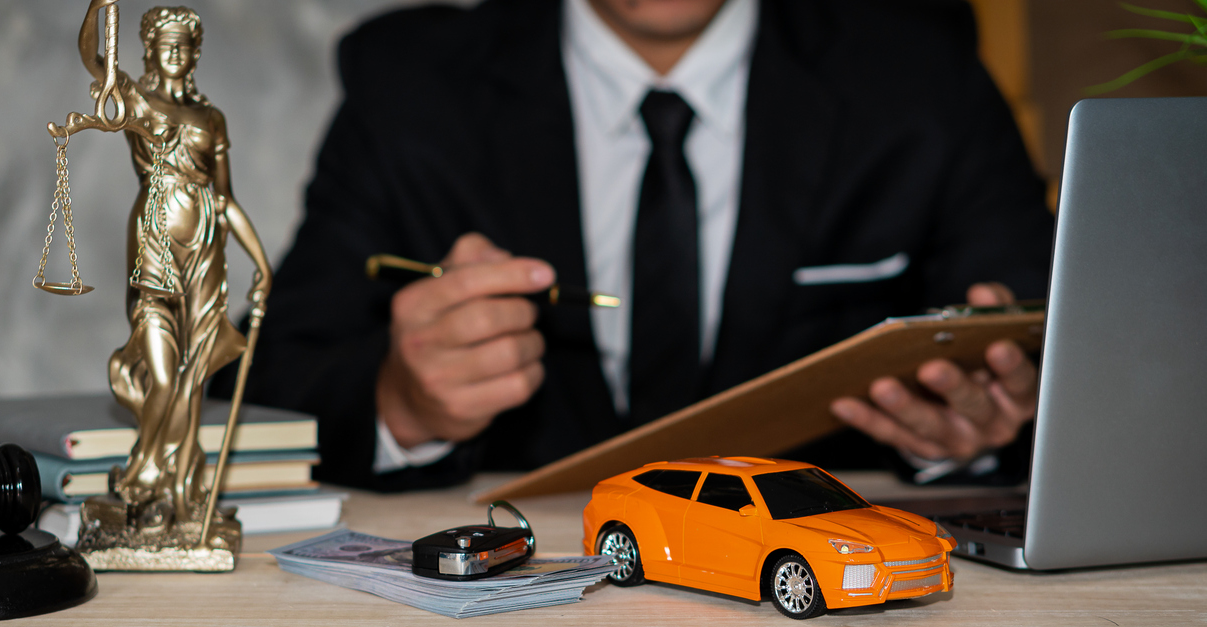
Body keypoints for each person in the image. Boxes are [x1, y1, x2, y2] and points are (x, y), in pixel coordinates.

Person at [234, 0, 1053, 490]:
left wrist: (980, 431)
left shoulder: (921, 68)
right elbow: (265, 381)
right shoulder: (412, 83)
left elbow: (1060, 351)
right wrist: (403, 404)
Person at [78, 1, 272, 520]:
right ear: (148, 50)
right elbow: (93, 59)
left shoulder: (212, 117)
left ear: (195, 54)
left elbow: (227, 201)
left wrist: (262, 262)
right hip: (156, 249)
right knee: (163, 376)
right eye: (165, 46)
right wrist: (99, 7)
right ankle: (144, 467)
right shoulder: (138, 103)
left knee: (195, 375)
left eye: (183, 47)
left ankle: (174, 484)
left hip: (206, 252)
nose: (174, 55)